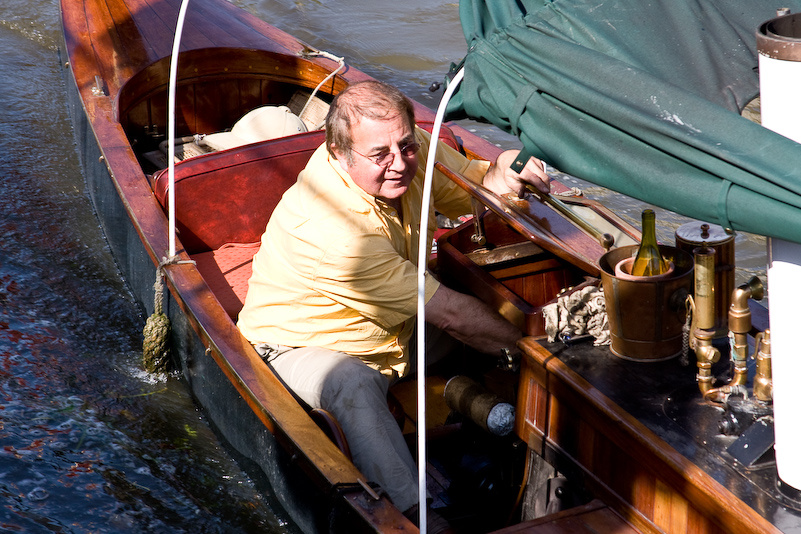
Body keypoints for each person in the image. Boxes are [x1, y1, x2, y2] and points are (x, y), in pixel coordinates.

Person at [237, 80, 549, 528]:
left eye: (405, 146)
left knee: (492, 323)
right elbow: (452, 315)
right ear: (339, 153)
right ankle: (414, 515)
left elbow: (473, 190)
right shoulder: (335, 234)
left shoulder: (405, 146)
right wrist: (541, 349)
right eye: (380, 155)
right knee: (350, 384)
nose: (399, 164)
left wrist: (504, 167)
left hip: (396, 326)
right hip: (305, 342)